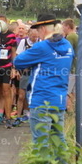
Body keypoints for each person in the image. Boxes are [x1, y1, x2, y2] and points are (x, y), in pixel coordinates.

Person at [14, 13, 74, 148]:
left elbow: (18, 61)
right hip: (59, 98)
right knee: (58, 139)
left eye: (37, 30)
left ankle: (42, 162)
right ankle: (61, 162)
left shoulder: (42, 47)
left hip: (41, 99)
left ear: (43, 29)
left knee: (41, 142)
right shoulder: (67, 45)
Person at [62, 18, 78, 111]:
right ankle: (74, 113)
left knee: (67, 92)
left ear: (67, 26)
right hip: (76, 68)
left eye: (63, 26)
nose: (62, 29)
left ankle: (70, 113)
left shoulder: (70, 37)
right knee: (73, 93)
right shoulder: (75, 35)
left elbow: (68, 53)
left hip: (71, 69)